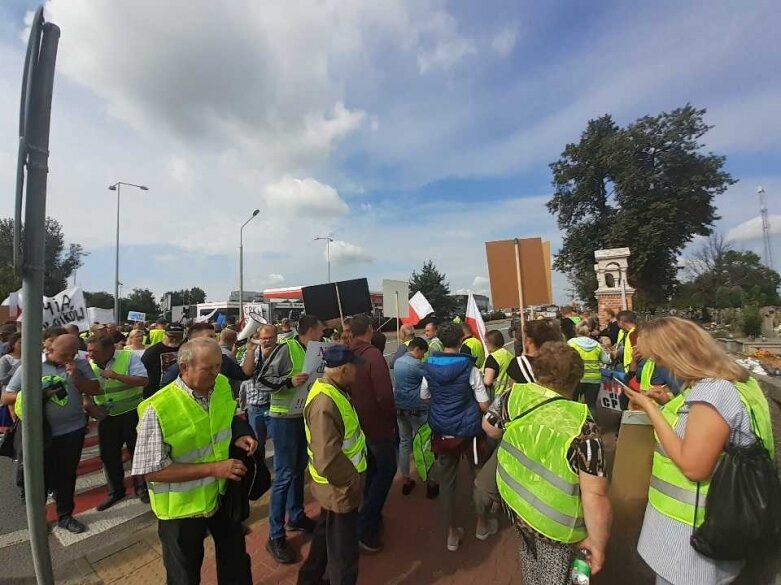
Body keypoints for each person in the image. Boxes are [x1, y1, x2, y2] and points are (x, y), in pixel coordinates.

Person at [620, 317, 775, 585]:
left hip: (693, 540)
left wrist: (650, 409)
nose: (661, 366)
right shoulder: (738, 382)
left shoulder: (712, 393)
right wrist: (668, 401)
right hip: (720, 524)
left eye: (660, 359)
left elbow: (694, 466)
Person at [132, 338, 256, 585]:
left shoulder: (221, 385)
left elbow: (227, 416)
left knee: (236, 563)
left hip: (221, 496)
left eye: (218, 365)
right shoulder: (157, 408)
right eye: (207, 368)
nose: (215, 373)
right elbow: (152, 471)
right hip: (180, 512)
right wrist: (215, 468)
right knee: (184, 577)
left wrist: (241, 433)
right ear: (184, 367)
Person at [488, 341, 612, 583]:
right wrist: (598, 543)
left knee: (530, 564)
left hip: (517, 505)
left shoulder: (513, 395)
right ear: (576, 378)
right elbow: (595, 494)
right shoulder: (581, 424)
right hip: (556, 525)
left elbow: (490, 428)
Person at [5, 334, 102, 533]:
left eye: (70, 355)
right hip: (40, 434)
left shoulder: (81, 366)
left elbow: (95, 389)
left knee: (66, 476)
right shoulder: (30, 367)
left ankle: (65, 516)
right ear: (49, 350)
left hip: (72, 432)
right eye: (61, 354)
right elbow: (6, 396)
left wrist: (76, 377)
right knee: (39, 479)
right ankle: (39, 520)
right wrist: (40, 394)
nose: (65, 359)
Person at [297, 346, 368, 585]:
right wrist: (352, 482)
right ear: (345, 370)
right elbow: (327, 457)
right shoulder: (325, 403)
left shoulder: (335, 391)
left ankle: (309, 578)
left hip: (335, 486)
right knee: (343, 551)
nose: (357, 371)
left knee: (325, 537)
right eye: (354, 367)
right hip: (339, 487)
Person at [260, 315, 324, 564]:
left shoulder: (317, 350)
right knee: (285, 475)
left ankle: (296, 516)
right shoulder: (286, 349)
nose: (323, 334)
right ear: (309, 329)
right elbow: (262, 380)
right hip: (284, 419)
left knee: (299, 470)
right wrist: (288, 382)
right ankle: (275, 535)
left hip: (303, 417)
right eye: (320, 329)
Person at [421, 321, 490, 552]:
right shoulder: (470, 368)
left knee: (447, 483)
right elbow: (483, 404)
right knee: (478, 477)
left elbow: (424, 396)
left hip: (442, 430)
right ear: (461, 340)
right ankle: (481, 525)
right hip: (469, 431)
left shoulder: (429, 366)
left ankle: (451, 533)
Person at [349, 314, 397, 552]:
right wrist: (391, 419)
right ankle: (365, 525)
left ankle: (370, 514)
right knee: (387, 470)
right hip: (377, 426)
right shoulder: (372, 355)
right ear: (369, 329)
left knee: (372, 471)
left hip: (356, 426)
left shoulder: (348, 353)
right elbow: (385, 395)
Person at [86, 335, 150, 509]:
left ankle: (142, 489)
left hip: (131, 414)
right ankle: (116, 491)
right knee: (109, 456)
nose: (90, 354)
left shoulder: (128, 357)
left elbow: (143, 381)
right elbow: (87, 390)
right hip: (106, 418)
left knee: (137, 452)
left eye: (95, 351)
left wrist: (117, 376)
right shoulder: (90, 365)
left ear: (109, 350)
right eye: (89, 350)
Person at [160, 323, 255, 397]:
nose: (215, 340)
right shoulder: (176, 370)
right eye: (210, 336)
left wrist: (250, 351)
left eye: (214, 336)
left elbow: (243, 374)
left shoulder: (223, 360)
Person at [393, 336, 435, 496]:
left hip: (399, 407)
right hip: (417, 408)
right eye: (422, 353)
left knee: (404, 442)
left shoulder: (398, 361)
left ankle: (405, 478)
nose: (422, 356)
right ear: (417, 349)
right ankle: (430, 480)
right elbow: (429, 382)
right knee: (424, 443)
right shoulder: (417, 365)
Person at [241, 324, 278, 448]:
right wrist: (253, 353)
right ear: (259, 339)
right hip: (256, 406)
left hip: (275, 405)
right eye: (264, 338)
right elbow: (247, 373)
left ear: (276, 338)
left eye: (270, 337)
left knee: (279, 443)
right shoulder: (253, 353)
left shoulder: (281, 352)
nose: (267, 341)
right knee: (257, 444)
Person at [567, 320, 611, 416]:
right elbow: (606, 361)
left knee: (574, 403)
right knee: (591, 405)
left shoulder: (571, 343)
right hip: (594, 378)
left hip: (577, 378)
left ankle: (577, 426)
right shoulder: (596, 345)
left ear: (576, 331)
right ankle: (593, 427)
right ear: (588, 332)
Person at [505, 319, 563, 385]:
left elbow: (512, 388)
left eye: (524, 336)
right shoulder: (559, 359)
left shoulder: (518, 363)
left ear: (529, 340)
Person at [141, 323, 185, 398]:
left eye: (179, 336)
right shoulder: (152, 351)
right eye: (171, 336)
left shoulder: (186, 349)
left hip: (180, 394)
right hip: (155, 395)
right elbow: (142, 374)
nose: (175, 339)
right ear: (165, 334)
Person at [482, 330, 513, 397]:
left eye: (486, 342)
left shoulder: (493, 358)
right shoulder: (509, 354)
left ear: (490, 343)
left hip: (496, 395)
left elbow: (487, 381)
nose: (485, 345)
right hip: (509, 393)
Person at [613, 310, 638, 376]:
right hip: (627, 367)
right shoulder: (624, 332)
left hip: (632, 369)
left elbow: (637, 353)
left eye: (617, 322)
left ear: (621, 322)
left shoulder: (634, 333)